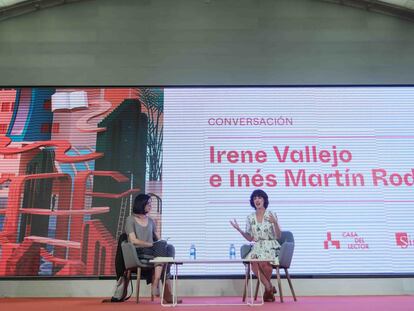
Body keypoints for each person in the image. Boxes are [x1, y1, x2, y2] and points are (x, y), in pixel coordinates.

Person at [230, 189, 281, 302]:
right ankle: (269, 288)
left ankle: (268, 290)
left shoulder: (271, 214)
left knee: (265, 264)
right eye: (255, 198)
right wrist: (239, 230)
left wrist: (275, 223)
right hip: (258, 246)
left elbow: (278, 235)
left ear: (264, 200)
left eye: (259, 197)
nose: (257, 200)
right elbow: (250, 238)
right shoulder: (250, 217)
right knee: (253, 262)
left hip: (270, 245)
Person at [125, 193, 176, 303]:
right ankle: (161, 287)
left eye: (150, 204)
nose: (150, 206)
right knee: (162, 253)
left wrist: (162, 242)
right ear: (141, 204)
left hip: (153, 252)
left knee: (169, 247)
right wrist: (151, 244)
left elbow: (158, 238)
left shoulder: (151, 221)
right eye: (148, 204)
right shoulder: (130, 219)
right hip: (138, 251)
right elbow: (133, 240)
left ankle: (156, 282)